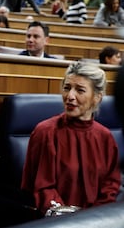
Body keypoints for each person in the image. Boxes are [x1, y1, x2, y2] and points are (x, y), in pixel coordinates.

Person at [21, 61, 121, 215]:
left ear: (97, 97)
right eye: (67, 88)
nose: (70, 96)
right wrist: (70, 219)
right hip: (56, 225)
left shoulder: (105, 137)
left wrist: (94, 219)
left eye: (80, 90)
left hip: (96, 224)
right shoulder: (46, 132)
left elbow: (111, 186)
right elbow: (43, 188)